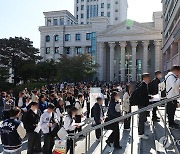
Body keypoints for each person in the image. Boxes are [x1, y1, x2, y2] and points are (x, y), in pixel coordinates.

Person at [137, 73, 151, 139]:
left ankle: (141, 132)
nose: (149, 79)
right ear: (145, 78)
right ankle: (141, 133)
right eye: (148, 77)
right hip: (142, 104)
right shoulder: (143, 85)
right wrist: (148, 98)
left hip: (142, 104)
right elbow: (141, 96)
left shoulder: (143, 84)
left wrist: (149, 97)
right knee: (141, 119)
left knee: (142, 118)